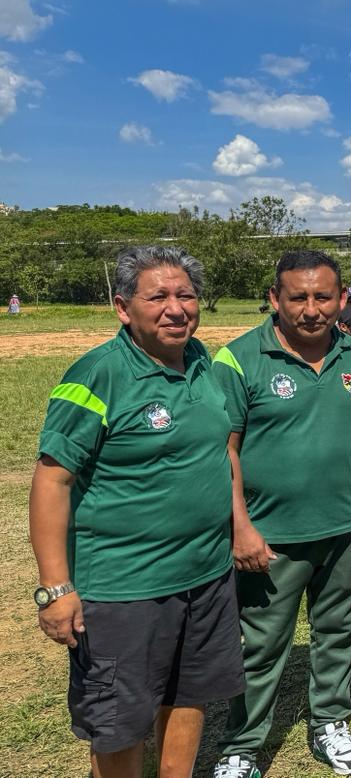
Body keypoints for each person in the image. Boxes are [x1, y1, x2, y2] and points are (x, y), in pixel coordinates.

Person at [28, 245, 243, 778]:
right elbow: (52, 481)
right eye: (158, 297)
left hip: (206, 575)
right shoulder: (98, 374)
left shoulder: (202, 361)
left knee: (190, 694)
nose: (176, 308)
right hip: (124, 588)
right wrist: (56, 589)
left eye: (186, 295)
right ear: (123, 308)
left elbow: (219, 451)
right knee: (119, 720)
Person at [210, 251, 351, 778]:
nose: (311, 309)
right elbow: (223, 451)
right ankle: (242, 745)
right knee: (259, 645)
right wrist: (241, 527)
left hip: (346, 530)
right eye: (297, 297)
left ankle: (330, 721)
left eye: (323, 297)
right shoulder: (238, 359)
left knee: (339, 631)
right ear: (275, 299)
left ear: (342, 299)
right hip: (269, 536)